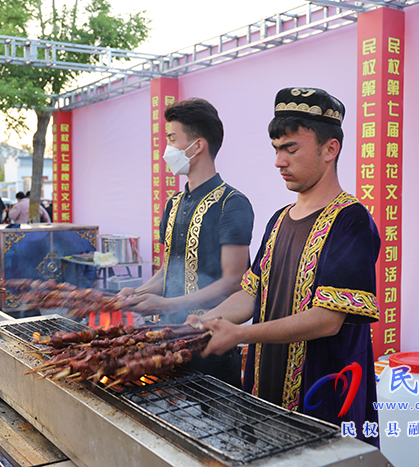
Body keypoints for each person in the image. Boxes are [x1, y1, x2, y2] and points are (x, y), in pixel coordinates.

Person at [187, 88, 380, 446]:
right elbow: (250, 294)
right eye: (277, 149)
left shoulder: (351, 221)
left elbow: (327, 318)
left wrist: (241, 335)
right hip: (264, 385)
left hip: (324, 394)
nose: (279, 161)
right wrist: (208, 319)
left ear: (329, 149)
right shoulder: (279, 220)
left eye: (290, 149)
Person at [120, 98, 254, 388]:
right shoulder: (175, 202)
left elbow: (234, 281)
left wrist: (167, 304)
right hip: (166, 340)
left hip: (209, 344)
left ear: (198, 145)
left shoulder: (232, 203)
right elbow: (170, 269)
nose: (166, 149)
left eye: (172, 138)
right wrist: (139, 292)